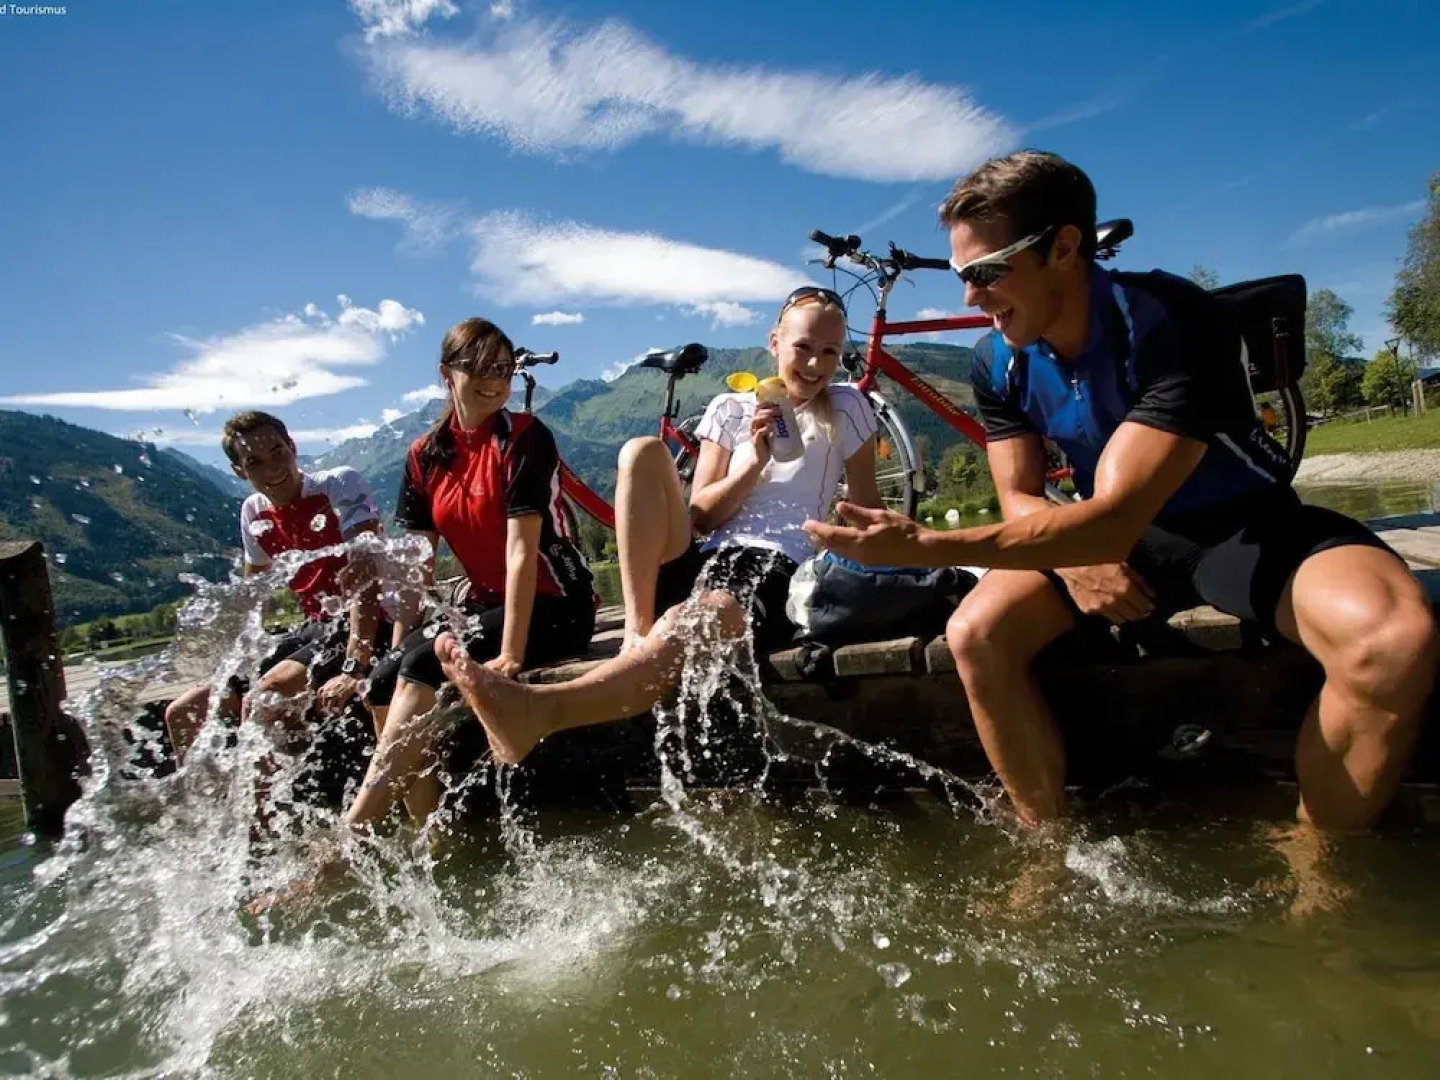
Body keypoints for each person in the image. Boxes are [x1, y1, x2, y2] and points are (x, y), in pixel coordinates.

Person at [803, 149, 1437, 832]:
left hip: (1240, 529)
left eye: (986, 271)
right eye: (961, 274)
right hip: (1106, 540)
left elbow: (1113, 516)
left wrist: (926, 547)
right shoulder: (996, 360)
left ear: (1065, 247)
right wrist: (1075, 559)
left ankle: (1323, 863)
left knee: (1393, 641)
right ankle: (1048, 849)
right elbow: (1020, 496)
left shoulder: (1171, 318)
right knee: (977, 633)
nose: (969, 296)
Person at [386, 288, 883, 776]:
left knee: (700, 616)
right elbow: (702, 514)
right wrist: (751, 464)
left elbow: (867, 510)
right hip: (707, 552)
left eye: (830, 352)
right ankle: (636, 632)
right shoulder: (730, 409)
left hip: (780, 564)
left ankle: (542, 710)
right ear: (775, 342)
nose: (816, 365)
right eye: (803, 348)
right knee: (641, 451)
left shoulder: (847, 407)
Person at [340, 317, 597, 826]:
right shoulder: (424, 455)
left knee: (420, 669)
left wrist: (510, 655)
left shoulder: (524, 436)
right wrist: (397, 641)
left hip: (555, 603)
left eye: (503, 366)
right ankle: (427, 829)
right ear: (446, 373)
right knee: (382, 681)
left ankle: (354, 834)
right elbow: (417, 564)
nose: (494, 378)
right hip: (488, 607)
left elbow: (522, 551)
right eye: (477, 366)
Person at [164, 410, 389, 762]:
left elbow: (366, 580)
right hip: (316, 629)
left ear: (293, 447)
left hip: (373, 621)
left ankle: (265, 813)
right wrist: (230, 662)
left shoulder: (338, 485)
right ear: (239, 470)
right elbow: (253, 595)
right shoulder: (253, 512)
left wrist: (354, 665)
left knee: (263, 697)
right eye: (254, 461)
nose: (273, 469)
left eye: (278, 452)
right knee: (182, 713)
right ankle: (211, 814)